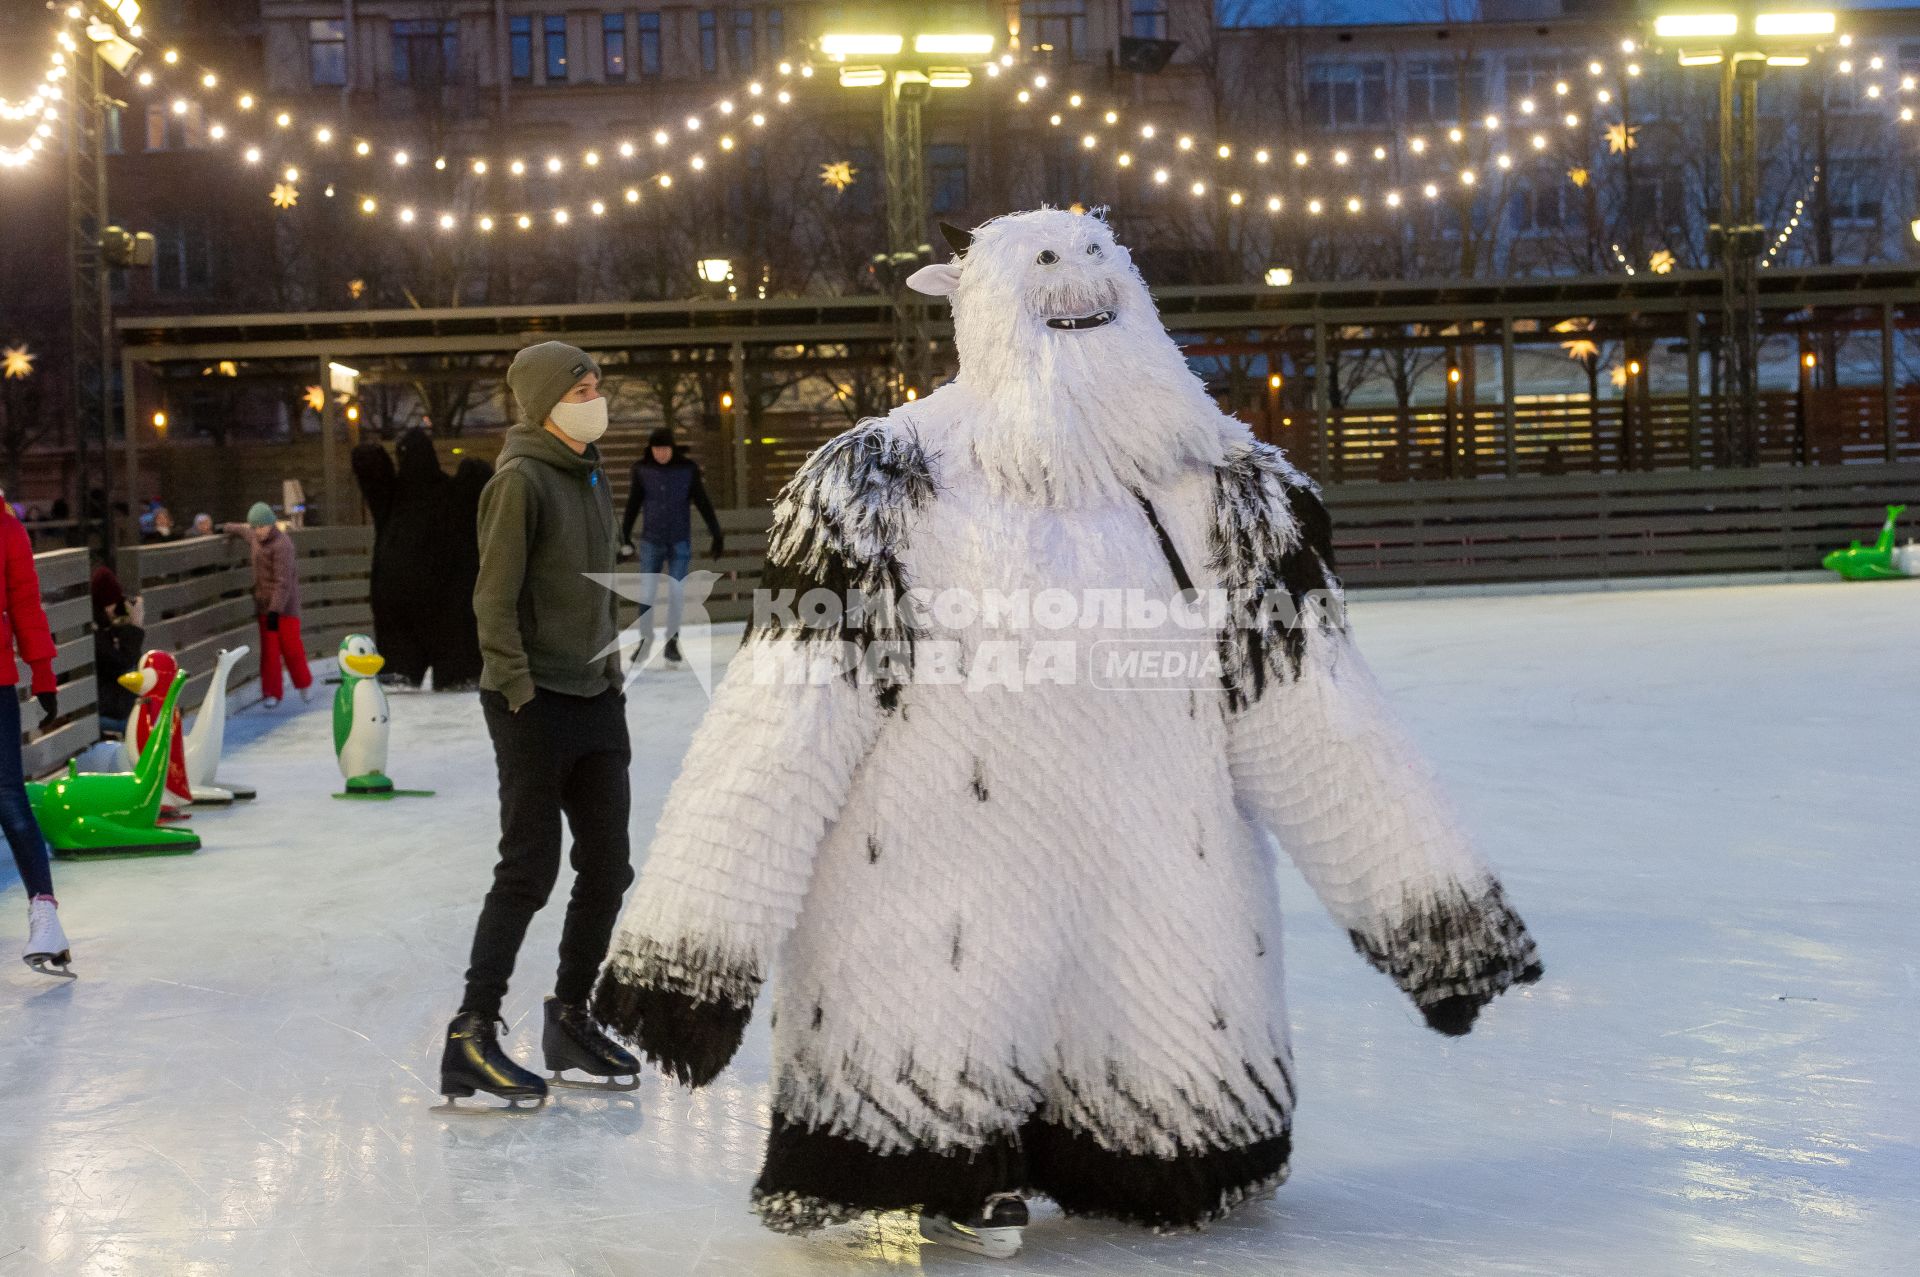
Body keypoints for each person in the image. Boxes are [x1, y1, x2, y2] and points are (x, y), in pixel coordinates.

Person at [593, 211, 1542, 1257]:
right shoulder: (882, 482)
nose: (1076, 280)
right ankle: (928, 1157)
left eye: (1099, 264)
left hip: (1161, 918)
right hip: (926, 904)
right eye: (1042, 266)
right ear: (974, 306)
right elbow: (783, 721)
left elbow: (1318, 721)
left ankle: (1142, 1148)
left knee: (1163, 1100)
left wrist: (1434, 920)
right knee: (923, 1074)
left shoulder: (1225, 489)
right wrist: (692, 954)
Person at [439, 340, 638, 1109]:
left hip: (594, 696)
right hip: (532, 702)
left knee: (609, 866)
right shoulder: (519, 481)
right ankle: (471, 1032)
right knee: (528, 870)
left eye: (597, 381)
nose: (594, 394)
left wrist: (610, 674)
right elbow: (493, 599)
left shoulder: (590, 474)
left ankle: (569, 1014)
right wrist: (518, 689)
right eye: (580, 385)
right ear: (543, 400)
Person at [352, 427, 492, 689]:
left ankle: (401, 671)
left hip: (400, 606)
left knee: (400, 647)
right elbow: (478, 485)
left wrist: (368, 456)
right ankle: (459, 674)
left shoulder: (392, 500)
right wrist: (476, 472)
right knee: (455, 643)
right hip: (451, 605)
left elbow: (372, 477)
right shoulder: (452, 495)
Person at [1, 501, 72, 977]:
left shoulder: (7, 529)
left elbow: (25, 600)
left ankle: (45, 914)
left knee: (7, 795)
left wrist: (43, 674)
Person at [620, 427, 724, 665]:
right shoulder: (642, 470)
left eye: (665, 449)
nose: (661, 454)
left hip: (679, 541)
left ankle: (671, 643)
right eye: (657, 449)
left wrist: (716, 533)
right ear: (651, 450)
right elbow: (633, 504)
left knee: (676, 593)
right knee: (647, 593)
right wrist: (624, 537)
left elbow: (703, 501)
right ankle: (645, 641)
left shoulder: (687, 470)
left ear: (672, 449)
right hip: (651, 541)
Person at [221, 503, 312, 708]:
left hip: (285, 608)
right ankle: (271, 692)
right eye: (256, 527)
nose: (259, 531)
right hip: (264, 605)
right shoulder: (253, 535)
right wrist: (225, 528)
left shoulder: (283, 545)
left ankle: (304, 684)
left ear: (271, 524)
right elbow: (241, 529)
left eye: (263, 526)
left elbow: (283, 582)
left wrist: (275, 610)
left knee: (291, 649)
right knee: (269, 651)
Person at [90, 566, 145, 737]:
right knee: (132, 673)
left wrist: (124, 625)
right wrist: (135, 626)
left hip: (108, 702)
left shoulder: (104, 626)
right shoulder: (96, 633)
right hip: (105, 709)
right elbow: (124, 662)